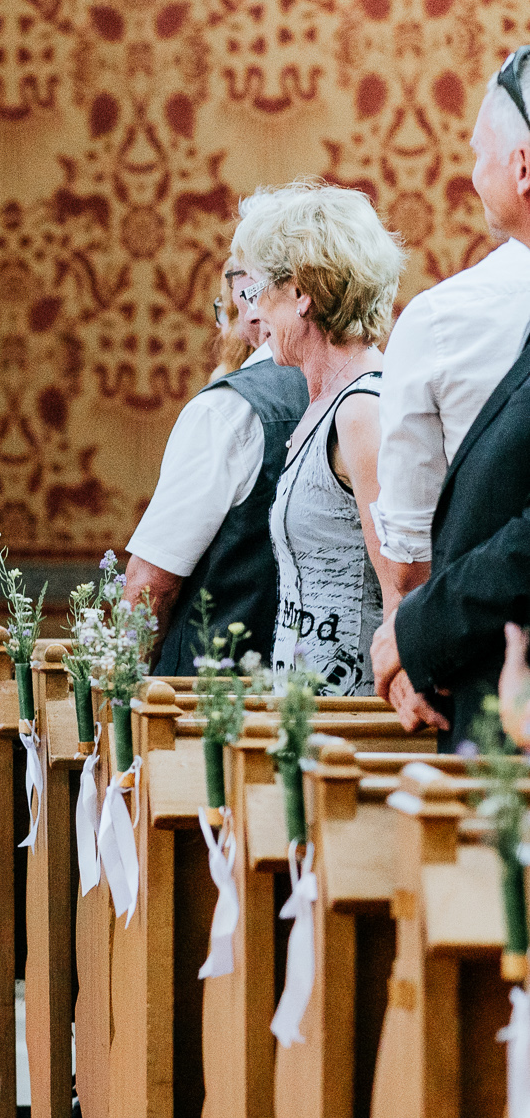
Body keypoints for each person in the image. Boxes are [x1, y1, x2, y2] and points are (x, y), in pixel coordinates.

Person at [373, 47, 530, 740]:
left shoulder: (439, 317)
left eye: (480, 154)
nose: (473, 173)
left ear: (521, 169)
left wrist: (416, 628)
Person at [233, 180, 406, 696]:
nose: (253, 311)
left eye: (262, 290)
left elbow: (404, 582)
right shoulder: (321, 405)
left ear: (303, 293)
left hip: (351, 725)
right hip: (306, 716)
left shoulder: (360, 411)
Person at [122, 248, 308, 672]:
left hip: (207, 701)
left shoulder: (227, 410)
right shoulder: (376, 389)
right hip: (328, 692)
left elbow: (151, 586)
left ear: (251, 297)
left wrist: (115, 702)